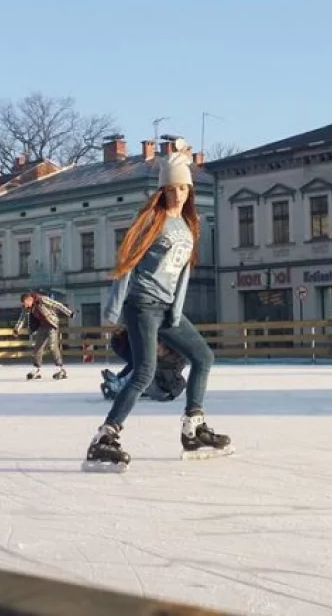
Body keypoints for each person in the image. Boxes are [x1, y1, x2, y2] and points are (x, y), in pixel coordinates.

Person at [85, 147, 229, 471]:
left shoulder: (189, 225)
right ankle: (105, 437)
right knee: (145, 371)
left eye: (182, 188)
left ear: (189, 189)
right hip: (141, 305)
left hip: (166, 309)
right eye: (170, 188)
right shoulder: (152, 219)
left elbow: (183, 276)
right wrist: (112, 311)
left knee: (203, 357)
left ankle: (193, 428)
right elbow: (127, 265)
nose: (177, 194)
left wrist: (176, 314)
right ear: (162, 190)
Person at [101, 326, 189, 402]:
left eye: (158, 350)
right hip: (158, 389)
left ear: (167, 351)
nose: (155, 352)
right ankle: (120, 383)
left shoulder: (167, 365)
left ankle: (119, 386)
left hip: (162, 393)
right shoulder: (165, 362)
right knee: (143, 368)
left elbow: (178, 383)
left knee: (143, 370)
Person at [13, 291, 74, 380]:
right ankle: (36, 369)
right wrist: (16, 329)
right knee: (38, 347)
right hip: (42, 326)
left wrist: (69, 313)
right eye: (24, 304)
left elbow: (57, 304)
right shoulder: (26, 308)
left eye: (26, 303)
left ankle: (60, 369)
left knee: (52, 346)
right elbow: (22, 318)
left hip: (52, 324)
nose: (25, 306)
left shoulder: (41, 299)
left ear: (30, 300)